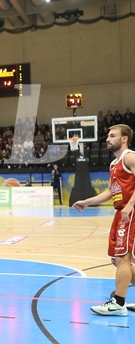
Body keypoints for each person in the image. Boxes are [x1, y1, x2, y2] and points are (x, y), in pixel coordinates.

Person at [73, 124, 135, 316]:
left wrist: (131, 204)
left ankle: (118, 303)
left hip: (130, 212)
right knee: (116, 260)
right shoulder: (113, 164)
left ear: (124, 138)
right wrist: (87, 202)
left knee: (122, 258)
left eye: (112, 135)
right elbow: (111, 191)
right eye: (108, 136)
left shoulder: (129, 157)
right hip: (121, 213)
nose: (107, 139)